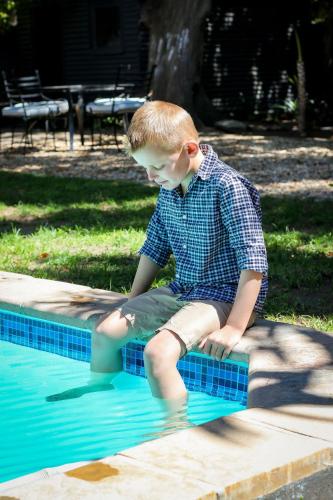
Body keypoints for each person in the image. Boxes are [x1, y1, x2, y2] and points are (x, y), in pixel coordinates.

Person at [91, 100, 268, 418]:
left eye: (156, 167)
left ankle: (173, 429)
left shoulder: (228, 188)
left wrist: (234, 327)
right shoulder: (170, 187)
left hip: (223, 295)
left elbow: (253, 262)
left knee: (157, 354)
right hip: (184, 288)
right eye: (145, 167)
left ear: (189, 149)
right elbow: (155, 247)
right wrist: (132, 302)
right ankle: (103, 402)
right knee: (104, 333)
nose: (150, 176)